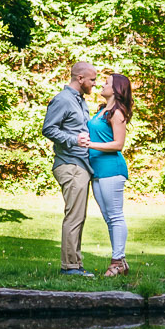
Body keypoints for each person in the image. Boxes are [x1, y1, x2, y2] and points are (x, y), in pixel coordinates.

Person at [41, 62, 100, 276]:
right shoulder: (63, 100)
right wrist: (74, 139)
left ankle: (76, 265)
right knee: (74, 216)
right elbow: (48, 128)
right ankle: (70, 267)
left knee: (78, 216)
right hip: (70, 164)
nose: (95, 83)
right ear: (80, 78)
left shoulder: (80, 102)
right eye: (92, 79)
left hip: (81, 164)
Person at [85, 72, 133, 277]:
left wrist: (90, 144)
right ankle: (121, 262)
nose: (101, 85)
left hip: (112, 170)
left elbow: (118, 144)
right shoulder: (102, 111)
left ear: (116, 89)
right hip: (97, 171)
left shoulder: (117, 113)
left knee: (115, 216)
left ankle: (116, 263)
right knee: (108, 218)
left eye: (106, 83)